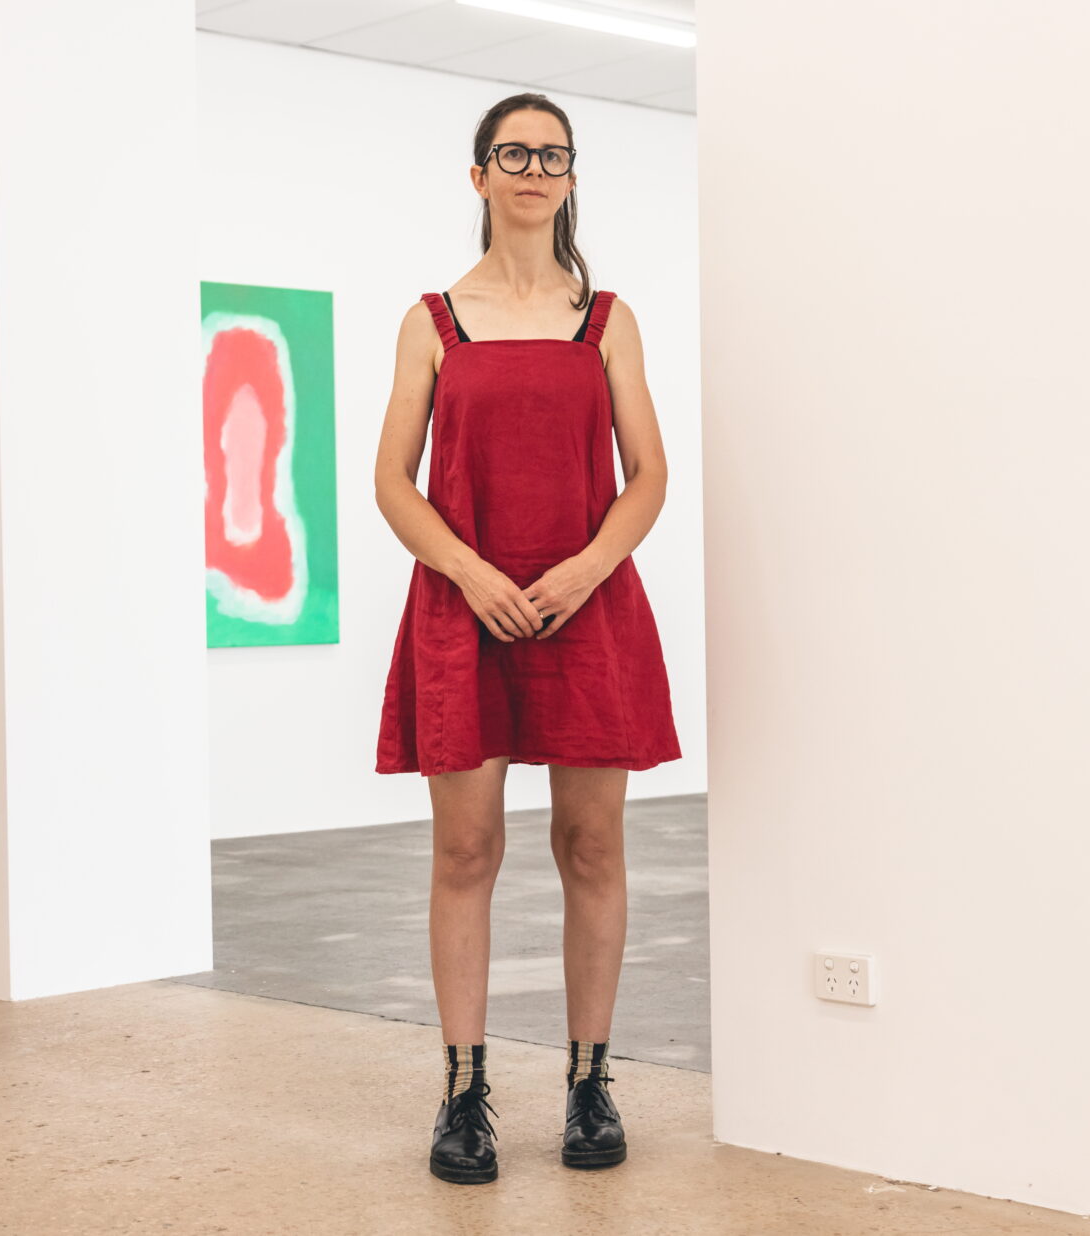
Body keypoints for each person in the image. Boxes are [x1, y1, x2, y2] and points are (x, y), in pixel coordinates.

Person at [374, 93, 682, 1184]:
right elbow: (391, 485)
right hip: (466, 611)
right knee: (466, 853)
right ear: (479, 176)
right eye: (515, 153)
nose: (535, 169)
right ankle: (464, 1092)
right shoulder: (433, 320)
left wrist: (584, 570)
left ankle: (590, 1081)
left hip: (585, 607)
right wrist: (471, 570)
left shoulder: (607, 318)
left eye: (553, 154)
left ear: (571, 175)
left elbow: (647, 478)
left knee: (591, 849)